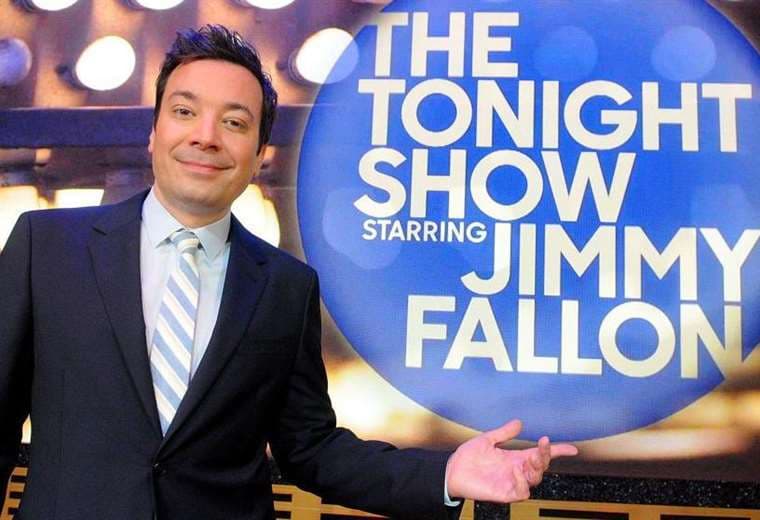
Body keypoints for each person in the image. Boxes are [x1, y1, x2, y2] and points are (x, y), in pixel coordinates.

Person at [0, 25, 577, 520]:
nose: (206, 136)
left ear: (257, 156)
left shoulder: (285, 286)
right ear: (154, 132)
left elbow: (310, 448)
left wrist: (446, 475)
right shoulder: (45, 247)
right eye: (184, 112)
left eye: (234, 122)